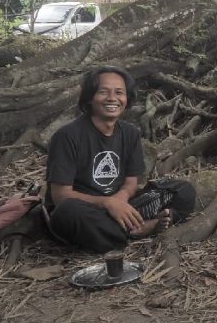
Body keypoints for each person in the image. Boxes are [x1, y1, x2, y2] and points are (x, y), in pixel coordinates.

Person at [46, 66, 196, 253]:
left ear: (127, 99)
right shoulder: (67, 136)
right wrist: (107, 203)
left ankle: (126, 228)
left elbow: (131, 182)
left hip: (123, 205)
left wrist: (120, 200)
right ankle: (139, 229)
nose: (112, 98)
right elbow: (60, 196)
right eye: (103, 92)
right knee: (67, 213)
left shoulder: (130, 132)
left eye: (119, 92)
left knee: (183, 189)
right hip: (88, 210)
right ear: (90, 98)